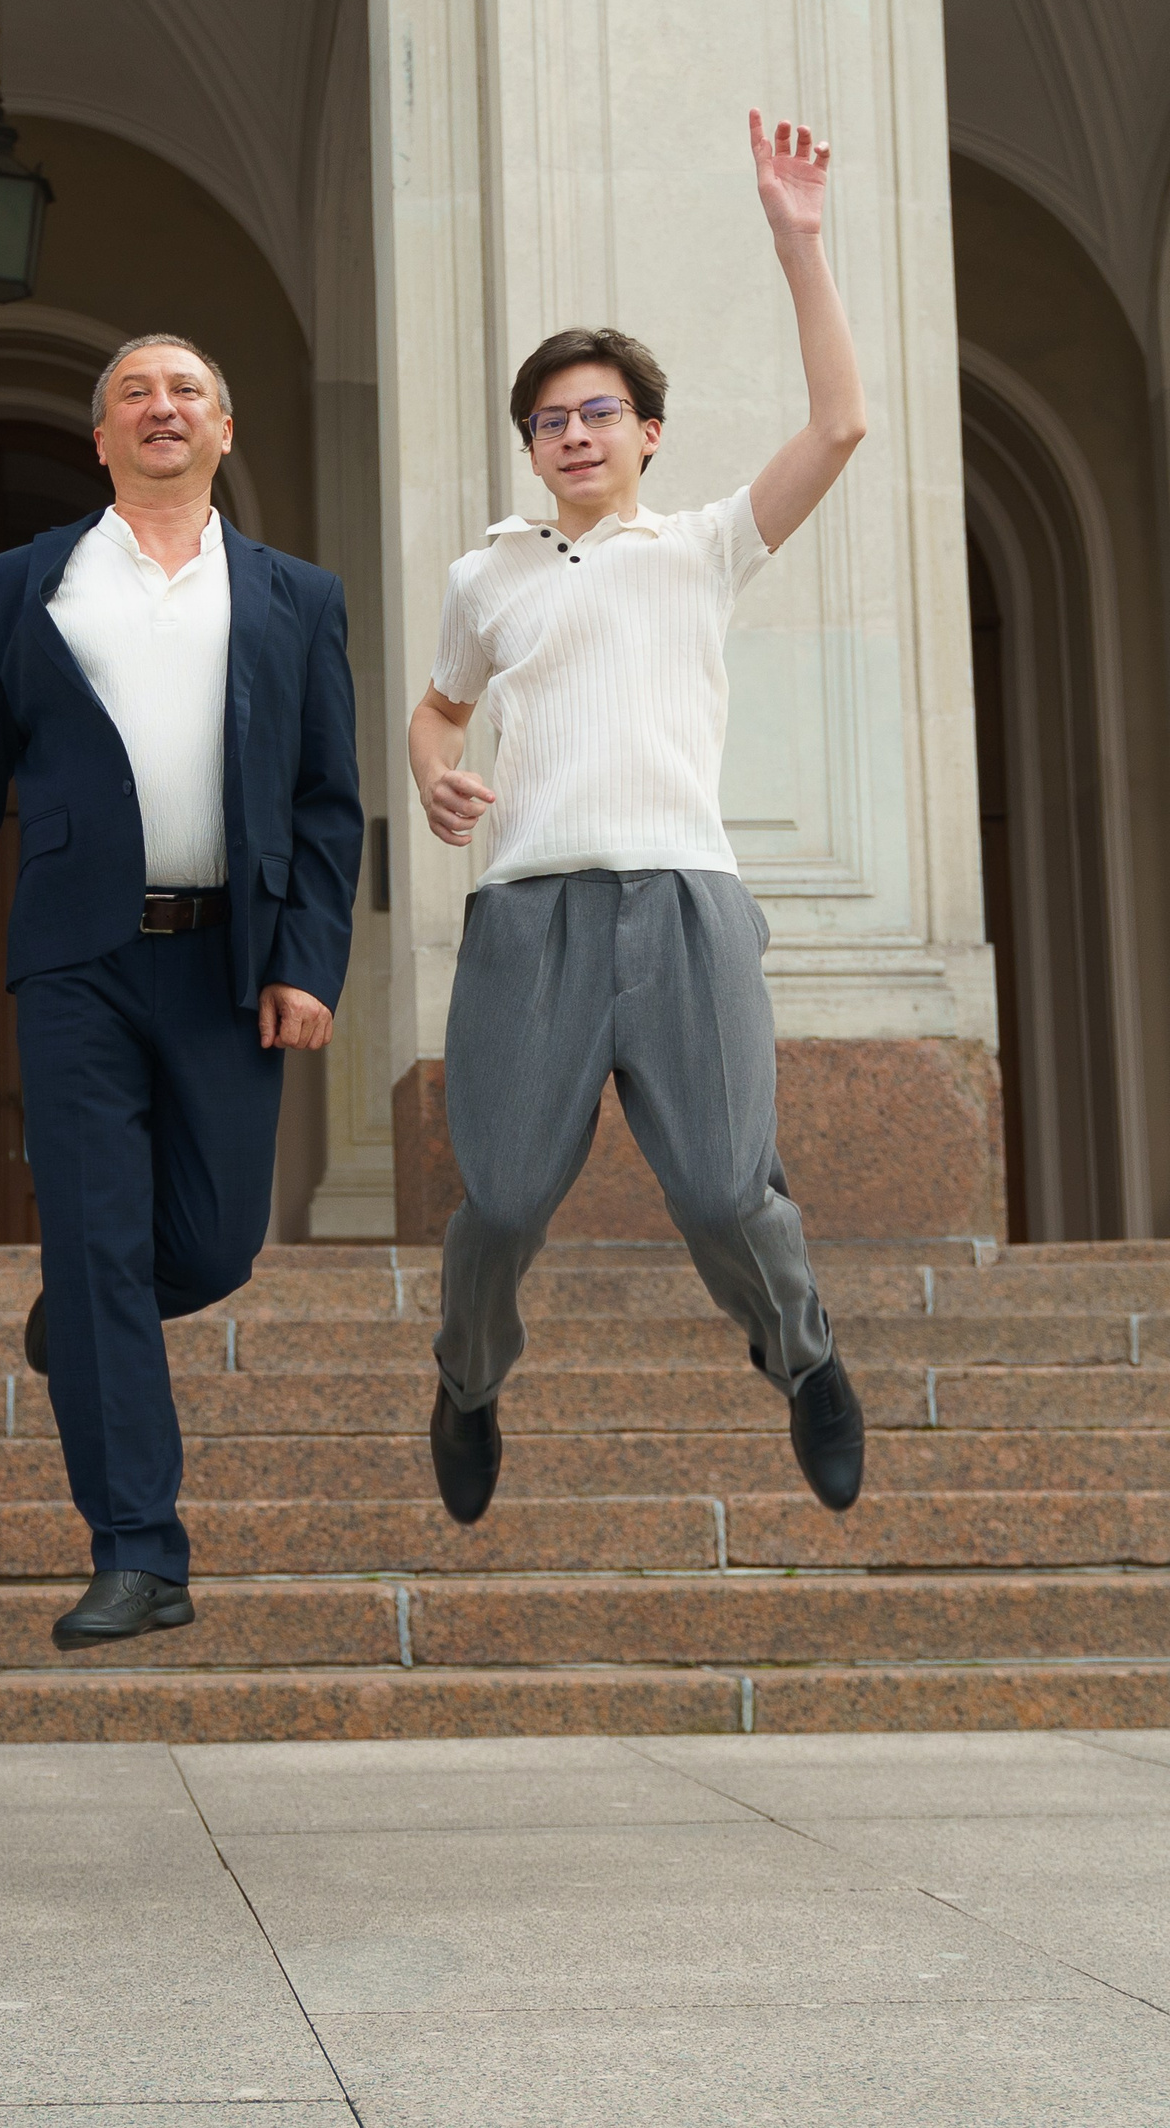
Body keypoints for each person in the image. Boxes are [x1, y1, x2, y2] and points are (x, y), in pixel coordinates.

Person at [408, 113, 870, 1527]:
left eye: (599, 413)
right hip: (529, 915)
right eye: (550, 420)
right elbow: (439, 710)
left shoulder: (704, 546)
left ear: (647, 434)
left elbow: (841, 426)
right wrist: (433, 771)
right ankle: (470, 1381)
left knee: (726, 1192)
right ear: (531, 446)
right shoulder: (486, 576)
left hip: (684, 905)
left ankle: (806, 1361)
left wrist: (799, 243)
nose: (574, 434)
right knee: (501, 1202)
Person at [0, 337, 364, 1652]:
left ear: (224, 427)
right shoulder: (25, 582)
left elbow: (327, 801)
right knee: (96, 1238)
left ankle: (87, 1318)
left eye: (186, 390)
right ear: (100, 440)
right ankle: (139, 1551)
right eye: (134, 395)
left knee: (213, 1244)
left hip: (227, 960)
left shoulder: (297, 595)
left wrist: (308, 959)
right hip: (76, 961)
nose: (162, 408)